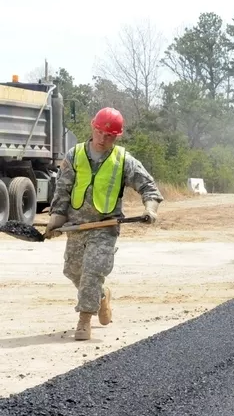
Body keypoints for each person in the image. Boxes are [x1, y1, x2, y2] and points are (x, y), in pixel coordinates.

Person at [43, 107, 163, 340]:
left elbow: (149, 187)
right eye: (100, 132)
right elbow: (63, 189)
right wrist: (56, 219)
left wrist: (150, 209)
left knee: (92, 271)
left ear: (117, 136)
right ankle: (101, 297)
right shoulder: (74, 154)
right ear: (92, 126)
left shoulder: (123, 160)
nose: (103, 139)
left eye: (110, 135)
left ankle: (84, 319)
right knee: (72, 270)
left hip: (105, 226)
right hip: (77, 226)